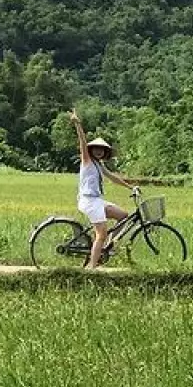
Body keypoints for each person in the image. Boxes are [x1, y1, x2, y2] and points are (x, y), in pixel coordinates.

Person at [69, 108, 137, 269]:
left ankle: (105, 247)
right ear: (91, 150)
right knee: (101, 233)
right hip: (89, 201)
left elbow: (113, 177)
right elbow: (82, 143)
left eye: (102, 150)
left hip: (97, 201)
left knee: (124, 216)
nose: (99, 151)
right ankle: (92, 266)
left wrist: (131, 187)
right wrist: (78, 124)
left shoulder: (99, 165)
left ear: (105, 152)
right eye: (96, 149)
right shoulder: (86, 160)